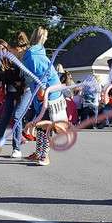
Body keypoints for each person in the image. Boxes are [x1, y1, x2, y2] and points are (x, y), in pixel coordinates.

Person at [22, 27, 69, 166]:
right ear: (43, 38)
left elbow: (42, 75)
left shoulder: (34, 55)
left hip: (49, 94)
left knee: (45, 125)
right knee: (41, 125)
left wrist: (42, 94)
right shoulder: (33, 53)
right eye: (46, 37)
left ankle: (45, 155)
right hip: (42, 94)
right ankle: (39, 152)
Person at [0, 38, 25, 158]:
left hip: (24, 92)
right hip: (10, 92)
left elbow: (19, 76)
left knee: (16, 117)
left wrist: (5, 71)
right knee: (4, 119)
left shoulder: (13, 60)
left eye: (4, 49)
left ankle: (17, 149)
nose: (2, 52)